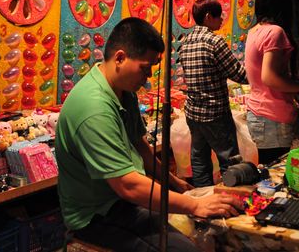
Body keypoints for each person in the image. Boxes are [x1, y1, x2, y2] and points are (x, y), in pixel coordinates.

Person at [55, 17, 242, 251]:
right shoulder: (94, 109)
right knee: (185, 249)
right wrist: (195, 205)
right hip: (97, 216)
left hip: (122, 202)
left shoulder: (123, 91)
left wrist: (175, 183)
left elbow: (140, 147)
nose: (149, 76)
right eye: (145, 68)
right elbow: (128, 185)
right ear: (120, 58)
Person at [244, 0, 299, 164]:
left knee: (266, 172)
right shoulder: (275, 32)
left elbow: (267, 74)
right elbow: (269, 77)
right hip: (272, 118)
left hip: (259, 115)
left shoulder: (254, 31)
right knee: (274, 173)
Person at [178, 0, 248, 187]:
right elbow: (239, 74)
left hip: (193, 114)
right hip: (215, 114)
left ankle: (203, 198)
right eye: (219, 16)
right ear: (208, 17)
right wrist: (261, 74)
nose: (221, 20)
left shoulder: (186, 42)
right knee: (230, 161)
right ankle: (229, 197)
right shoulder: (215, 42)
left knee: (199, 160)